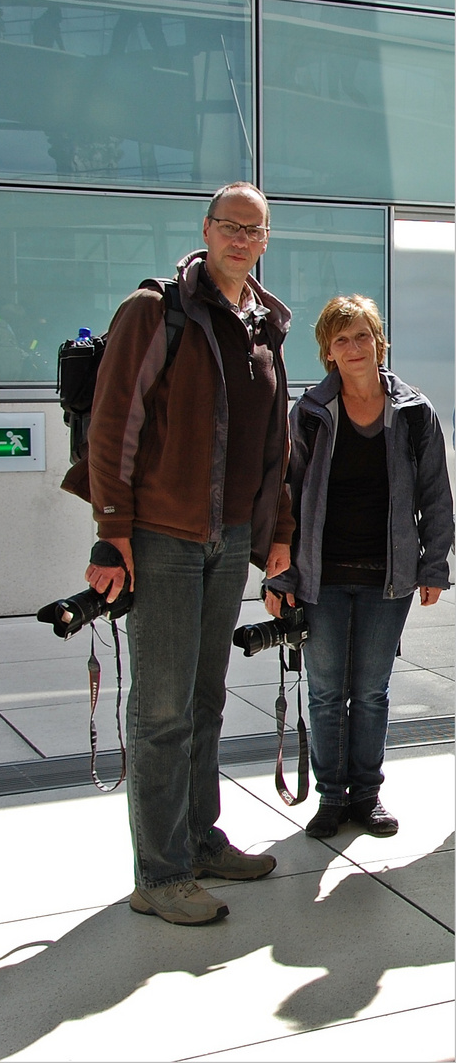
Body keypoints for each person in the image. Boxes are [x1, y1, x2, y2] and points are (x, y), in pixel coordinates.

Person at [78, 182, 295, 926]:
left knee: (203, 702)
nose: (240, 238)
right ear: (205, 230)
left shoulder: (264, 324)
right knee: (162, 709)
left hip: (229, 537)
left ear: (266, 240)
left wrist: (277, 536)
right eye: (228, 226)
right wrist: (112, 530)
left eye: (253, 229)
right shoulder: (155, 310)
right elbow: (114, 424)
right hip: (162, 537)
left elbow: (275, 446)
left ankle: (200, 840)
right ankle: (160, 873)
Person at [264, 295, 453, 840]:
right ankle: (330, 799)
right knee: (325, 693)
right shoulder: (310, 414)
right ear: (327, 350)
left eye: (362, 336)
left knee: (370, 692)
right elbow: (287, 498)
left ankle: (367, 796)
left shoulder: (413, 412)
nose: (353, 348)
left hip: (386, 577)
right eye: (341, 339)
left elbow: (436, 496)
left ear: (379, 341)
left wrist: (433, 565)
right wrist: (280, 577)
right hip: (320, 577)